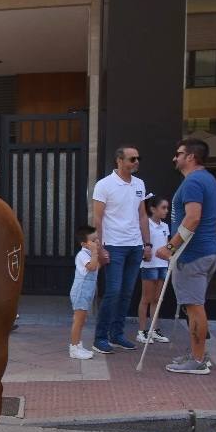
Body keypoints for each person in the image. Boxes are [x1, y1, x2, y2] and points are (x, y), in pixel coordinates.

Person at [156, 137, 216, 375]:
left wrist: (170, 247)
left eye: (179, 153)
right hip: (206, 251)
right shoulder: (207, 179)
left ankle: (197, 360)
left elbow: (193, 218)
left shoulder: (193, 181)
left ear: (191, 157)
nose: (175, 157)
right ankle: (198, 353)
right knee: (195, 305)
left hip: (192, 254)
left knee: (194, 307)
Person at [91, 145, 152, 354]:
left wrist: (147, 244)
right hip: (114, 246)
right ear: (119, 160)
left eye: (138, 158)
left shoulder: (139, 184)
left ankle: (116, 335)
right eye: (132, 159)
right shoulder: (104, 185)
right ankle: (100, 337)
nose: (136, 162)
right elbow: (97, 218)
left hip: (135, 246)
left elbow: (142, 215)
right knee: (113, 292)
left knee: (126, 293)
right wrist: (100, 247)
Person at [136, 195, 171, 344]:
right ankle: (141, 331)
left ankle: (154, 330)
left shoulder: (165, 226)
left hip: (163, 266)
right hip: (149, 265)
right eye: (163, 208)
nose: (166, 211)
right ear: (153, 209)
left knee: (157, 299)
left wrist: (169, 259)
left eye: (167, 208)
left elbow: (167, 246)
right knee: (146, 299)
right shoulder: (146, 225)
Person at [69, 225, 101, 359]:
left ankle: (78, 344)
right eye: (93, 241)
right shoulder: (82, 255)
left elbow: (97, 266)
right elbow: (92, 267)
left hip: (87, 291)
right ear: (84, 244)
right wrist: (95, 253)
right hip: (81, 291)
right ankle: (74, 348)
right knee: (78, 320)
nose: (97, 242)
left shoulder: (90, 254)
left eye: (97, 239)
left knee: (82, 320)